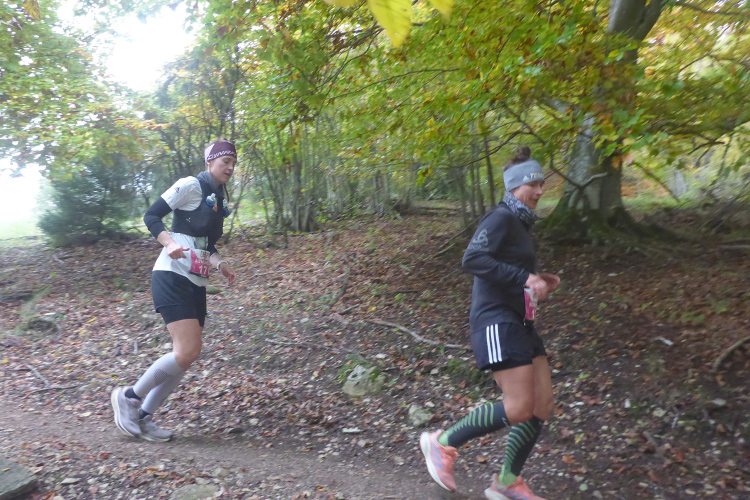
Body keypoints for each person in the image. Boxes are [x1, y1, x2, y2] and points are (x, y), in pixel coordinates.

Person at [420, 146, 560, 500]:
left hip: (521, 322)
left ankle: (507, 482)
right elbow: (473, 259)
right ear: (514, 186)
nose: (540, 191)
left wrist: (538, 280)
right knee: (518, 407)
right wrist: (524, 277)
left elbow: (507, 268)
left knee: (541, 405)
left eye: (542, 184)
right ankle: (443, 443)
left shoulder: (521, 224)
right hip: (496, 320)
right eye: (533, 185)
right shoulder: (501, 218)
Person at [111, 139, 238, 442]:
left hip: (197, 281)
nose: (230, 168)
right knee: (187, 351)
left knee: (187, 355)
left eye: (234, 163)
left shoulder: (218, 198)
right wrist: (169, 243)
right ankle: (129, 397)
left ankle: (144, 417)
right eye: (225, 162)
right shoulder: (190, 185)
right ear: (210, 162)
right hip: (171, 275)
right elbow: (151, 216)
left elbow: (206, 243)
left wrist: (220, 264)